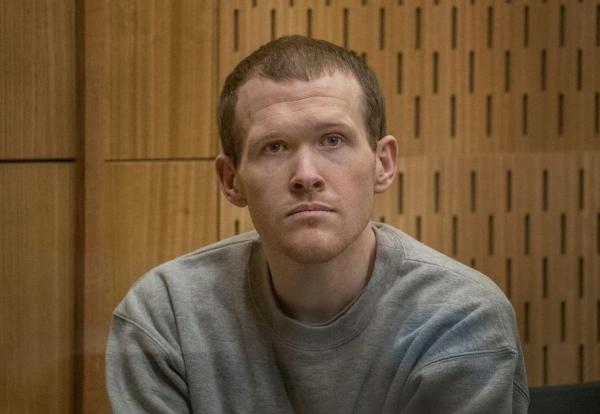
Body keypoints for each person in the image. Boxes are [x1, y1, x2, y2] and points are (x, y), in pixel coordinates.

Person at [106, 35, 530, 413]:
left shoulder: (460, 317)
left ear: (383, 164)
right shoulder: (166, 315)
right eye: (274, 147)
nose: (306, 175)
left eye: (332, 140)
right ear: (231, 180)